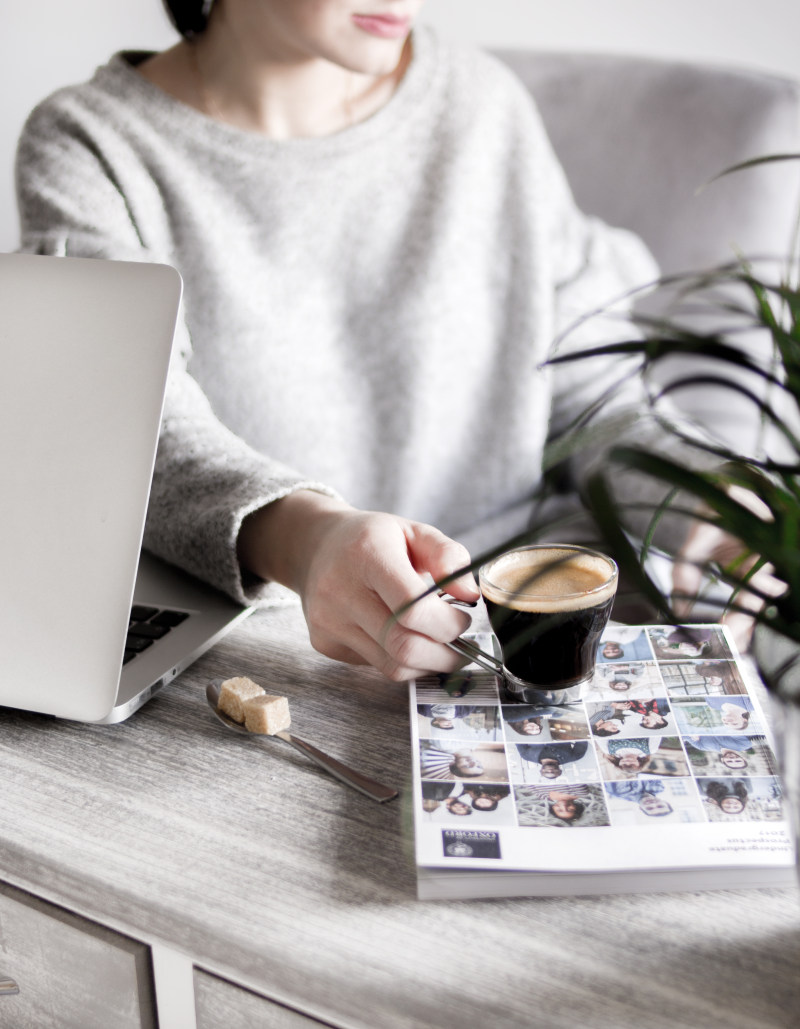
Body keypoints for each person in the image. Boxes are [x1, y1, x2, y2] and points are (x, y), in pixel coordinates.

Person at [15, 0, 745, 682]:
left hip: (532, 624)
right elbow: (143, 439)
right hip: (282, 648)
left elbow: (593, 397)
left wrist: (713, 501)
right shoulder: (92, 145)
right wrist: (310, 541)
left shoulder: (481, 104)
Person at [517, 741, 588, 779]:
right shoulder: (574, 756)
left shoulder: (526, 756)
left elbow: (517, 740)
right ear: (560, 770)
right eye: (553, 772)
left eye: (547, 772)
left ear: (541, 771)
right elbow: (583, 739)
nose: (550, 770)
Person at [605, 780, 673, 817]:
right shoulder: (659, 788)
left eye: (649, 808)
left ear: (640, 808)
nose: (652, 804)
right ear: (665, 802)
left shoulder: (619, 792)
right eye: (660, 806)